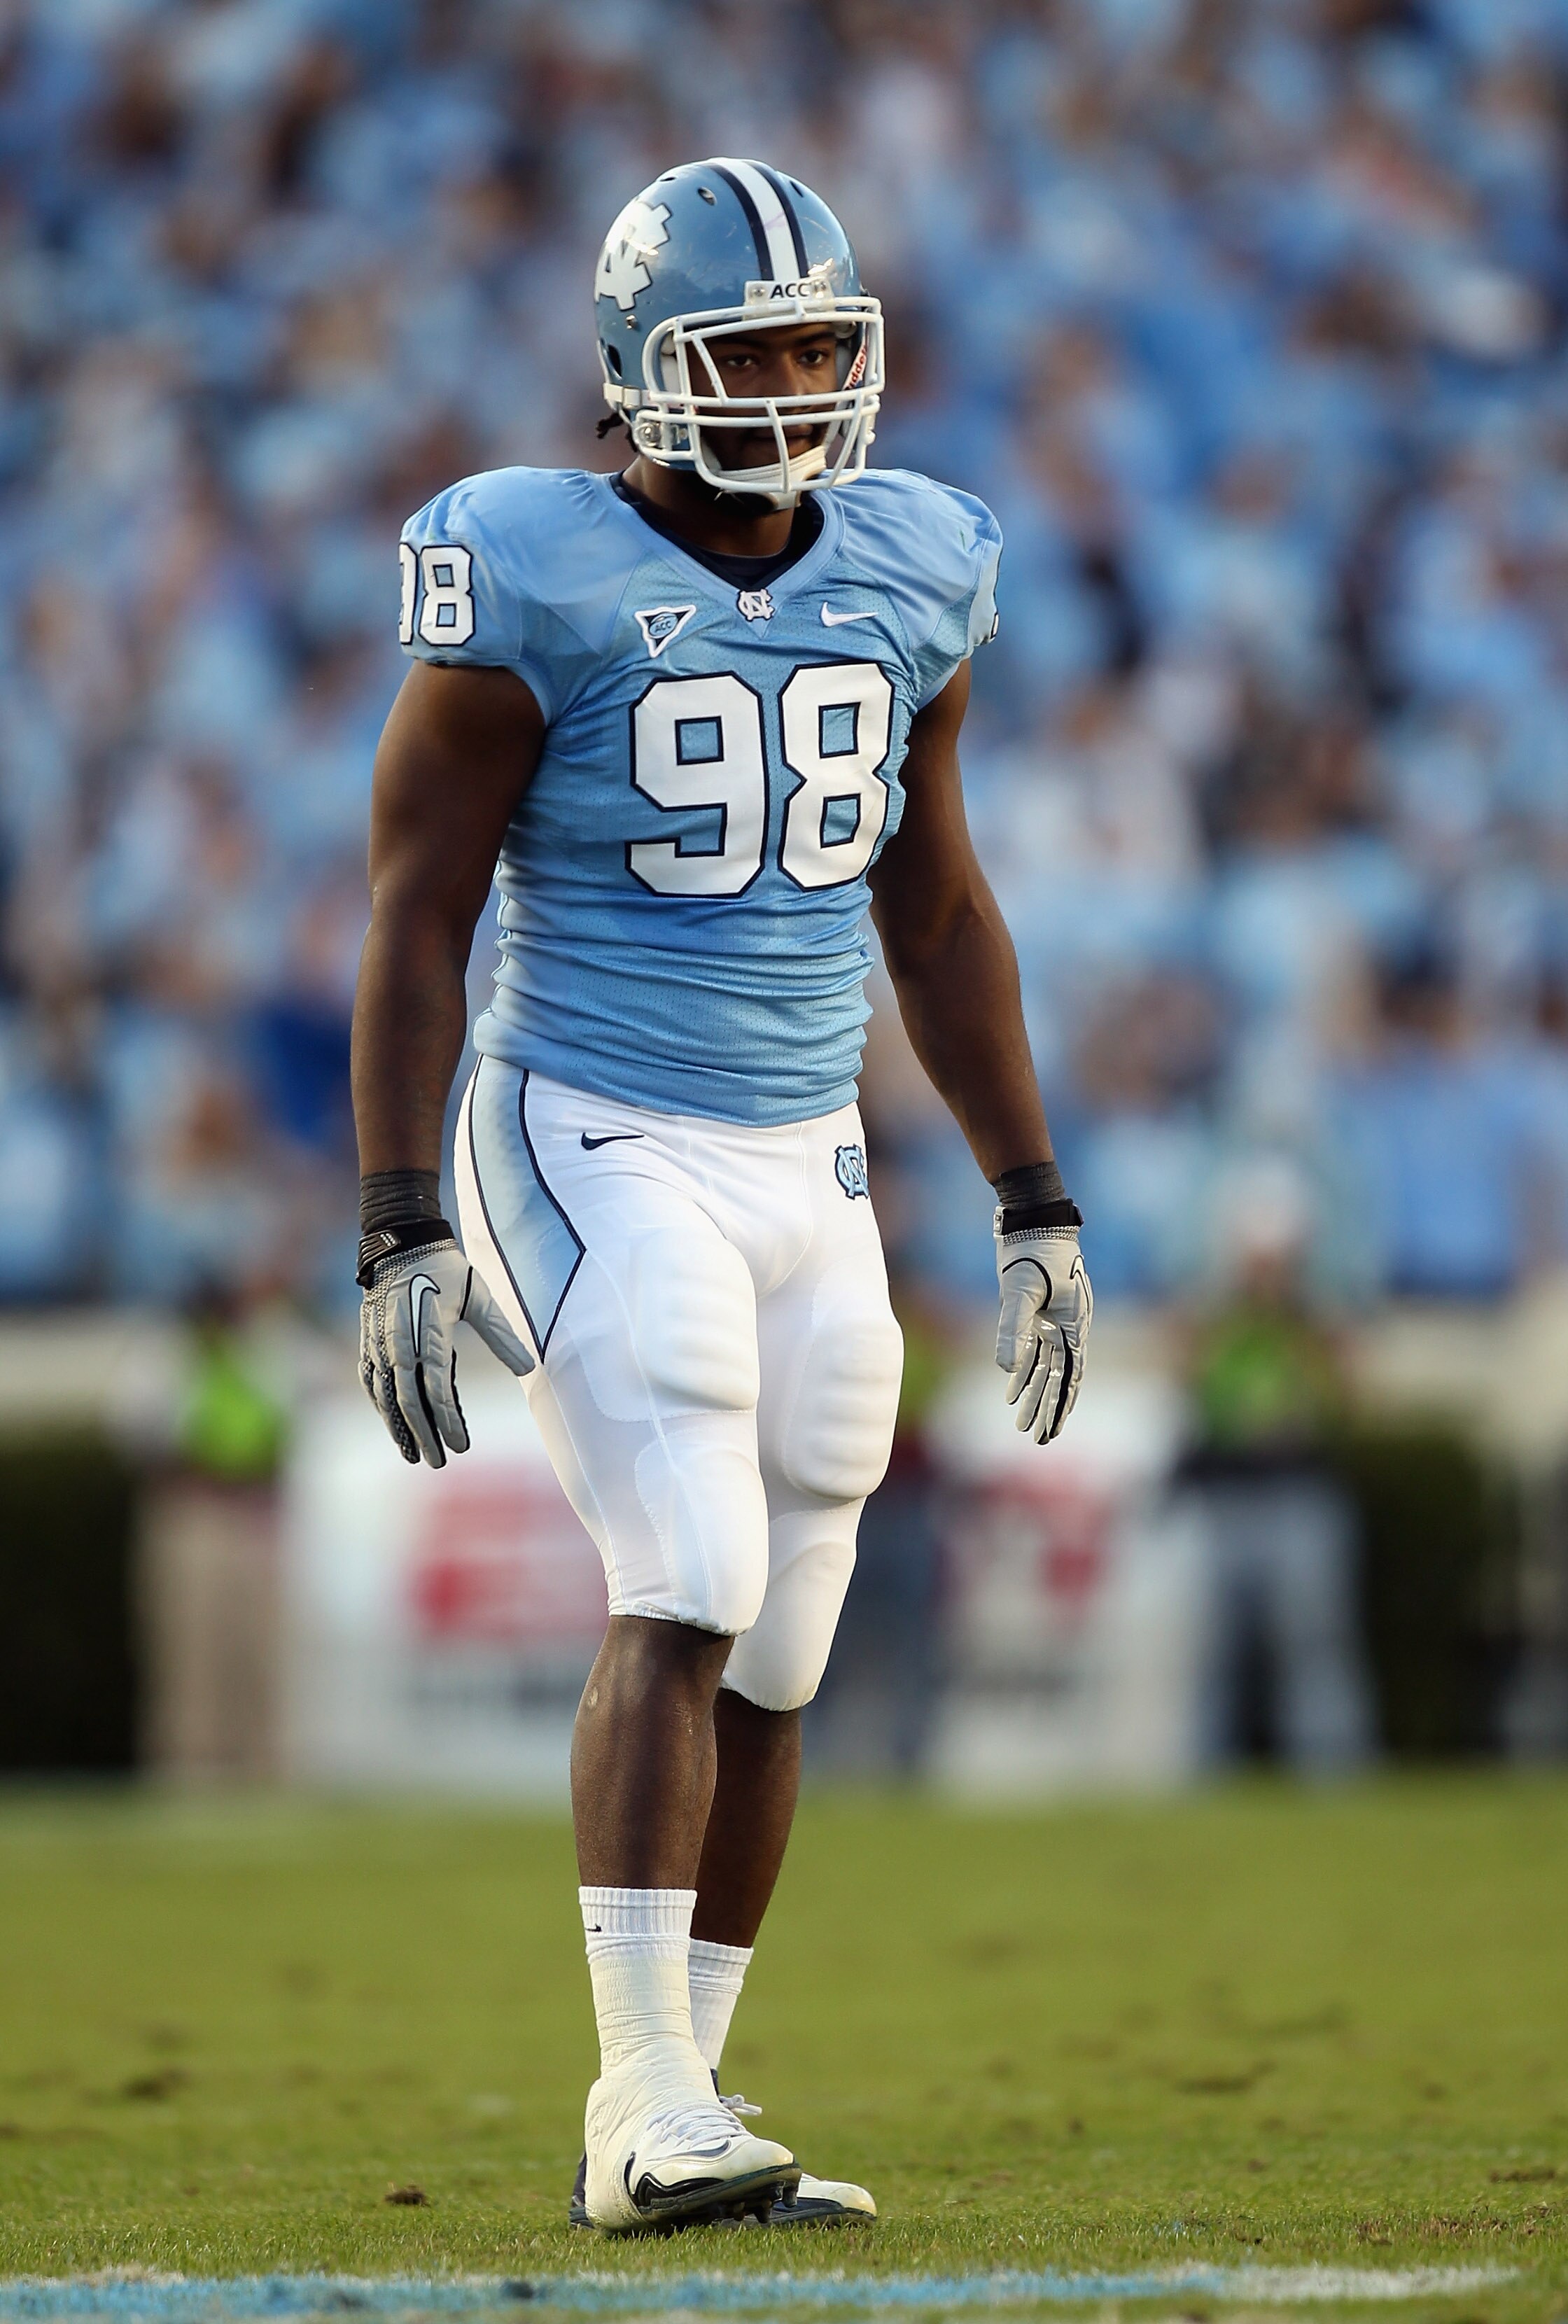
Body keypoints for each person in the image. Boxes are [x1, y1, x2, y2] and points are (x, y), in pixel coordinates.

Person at [351, 158, 1091, 2236]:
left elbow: (938, 909)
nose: (790, 394)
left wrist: (1033, 1197)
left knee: (783, 1637)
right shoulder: (532, 565)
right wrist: (399, 1212)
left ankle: (691, 2086)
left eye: (814, 352)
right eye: (747, 356)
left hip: (805, 1148)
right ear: (639, 370)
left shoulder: (917, 561)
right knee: (683, 1568)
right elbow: (413, 913)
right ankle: (641, 2096)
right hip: (585, 1120)